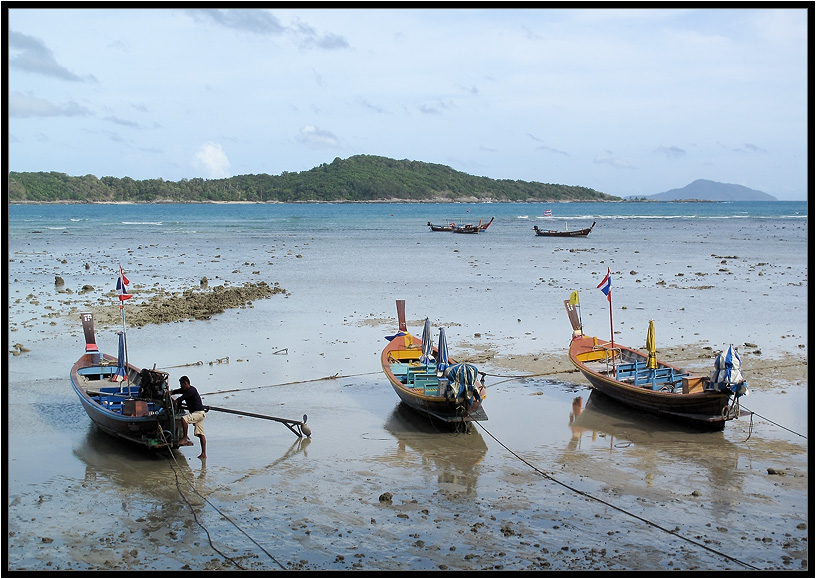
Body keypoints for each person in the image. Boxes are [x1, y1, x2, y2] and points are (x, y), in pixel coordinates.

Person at [171, 375, 207, 459]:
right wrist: (171, 392)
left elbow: (181, 398)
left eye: (181, 385)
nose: (181, 386)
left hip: (198, 413)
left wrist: (175, 402)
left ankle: (184, 438)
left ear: (186, 383)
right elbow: (178, 391)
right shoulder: (186, 390)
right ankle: (203, 454)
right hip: (198, 413)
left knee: (184, 419)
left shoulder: (191, 390)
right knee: (201, 434)